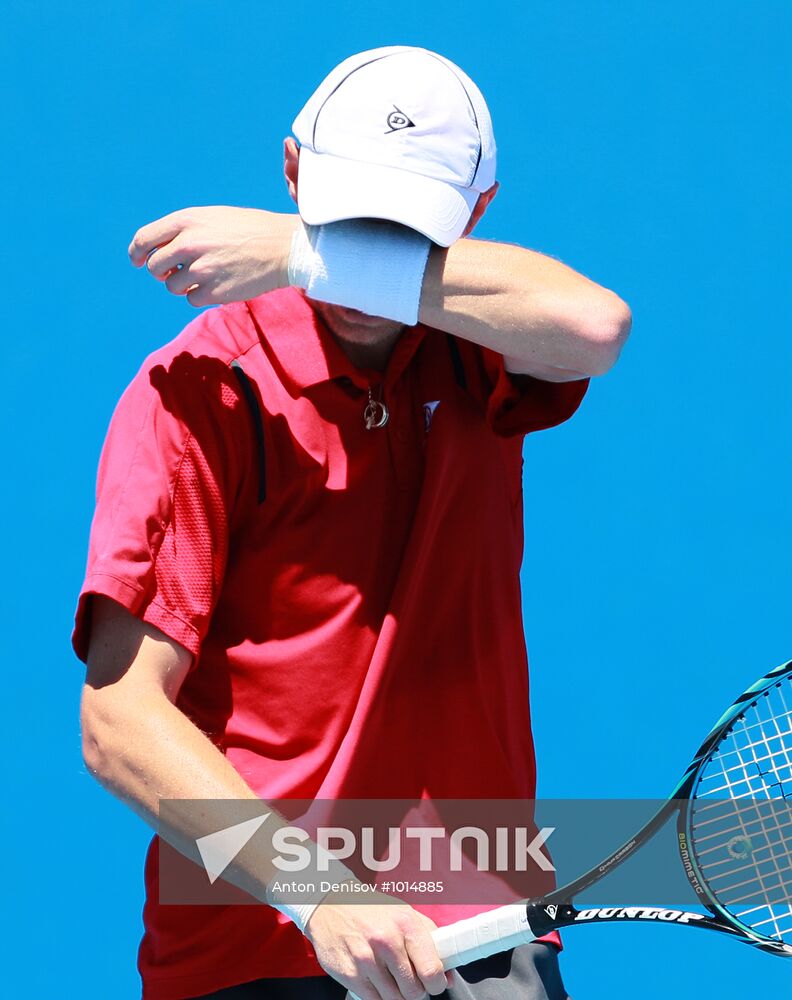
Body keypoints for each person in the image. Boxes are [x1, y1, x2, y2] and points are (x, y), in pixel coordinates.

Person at [74, 46, 631, 1000]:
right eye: (348, 212)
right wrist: (320, 895)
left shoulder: (477, 351)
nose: (371, 244)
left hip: (480, 929)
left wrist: (309, 255)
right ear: (292, 172)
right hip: (253, 955)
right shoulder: (199, 390)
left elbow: (595, 326)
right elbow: (119, 720)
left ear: (475, 214)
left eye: (403, 228)